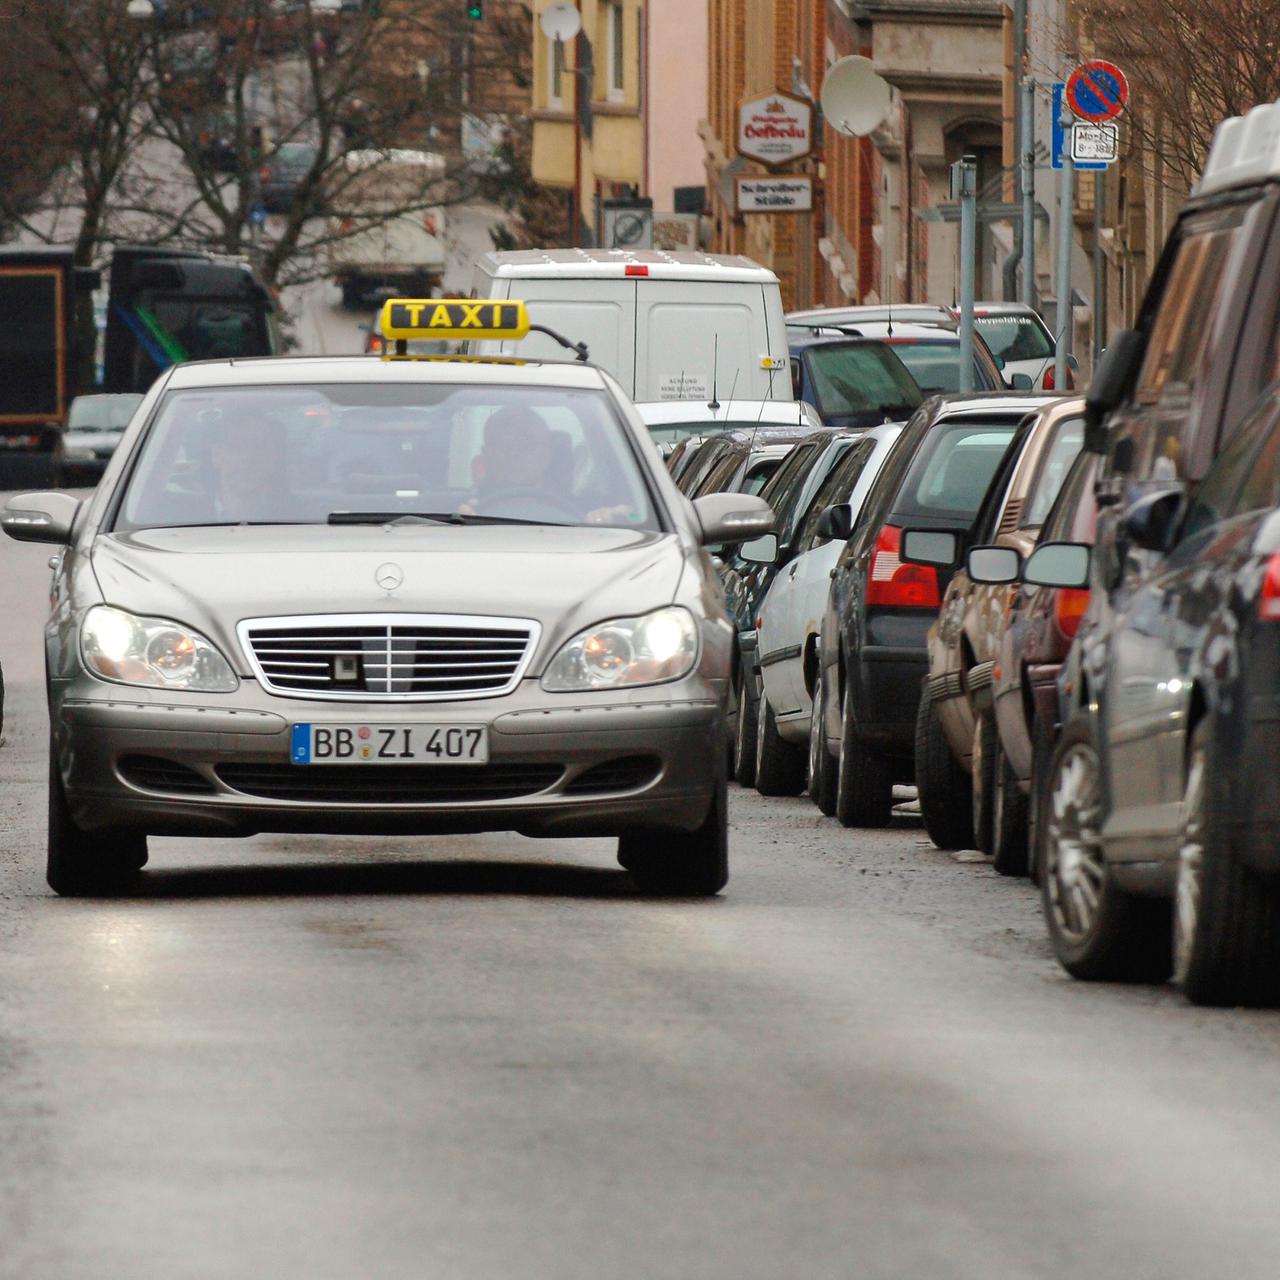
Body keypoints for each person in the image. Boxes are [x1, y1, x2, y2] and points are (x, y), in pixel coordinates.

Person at [460, 407, 632, 524]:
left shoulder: (589, 506)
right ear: (486, 455)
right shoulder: (455, 510)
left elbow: (638, 516)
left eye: (527, 444)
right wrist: (456, 523)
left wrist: (620, 514)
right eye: (502, 445)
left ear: (548, 453)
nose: (514, 453)